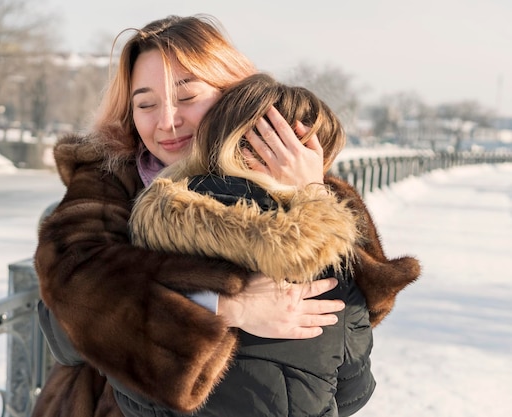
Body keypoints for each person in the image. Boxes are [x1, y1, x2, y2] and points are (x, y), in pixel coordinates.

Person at [33, 14, 420, 417]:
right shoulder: (108, 181)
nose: (167, 121)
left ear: (230, 92)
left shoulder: (287, 172)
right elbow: (61, 320)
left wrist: (310, 195)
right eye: (146, 104)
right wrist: (222, 306)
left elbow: (364, 309)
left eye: (187, 97)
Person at [119, 72, 376, 417]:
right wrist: (314, 196)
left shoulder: (144, 230)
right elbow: (353, 393)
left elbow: (91, 333)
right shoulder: (329, 260)